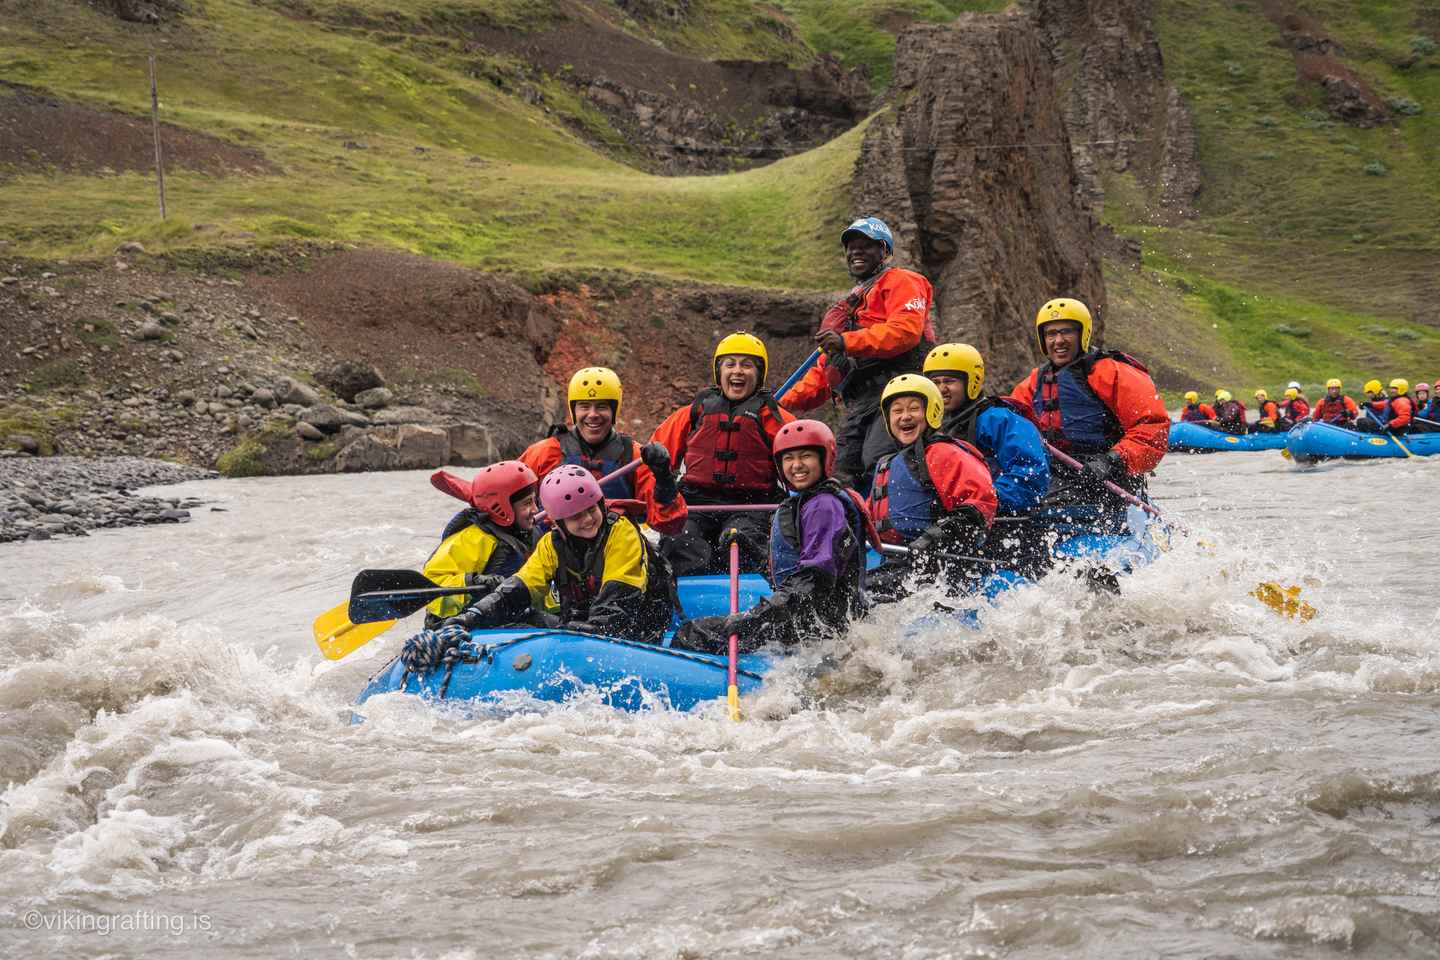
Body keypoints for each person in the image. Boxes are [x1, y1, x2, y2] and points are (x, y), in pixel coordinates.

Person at [670, 420, 875, 654]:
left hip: (817, 627)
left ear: (824, 458)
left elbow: (814, 580)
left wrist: (756, 617)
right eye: (788, 459)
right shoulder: (808, 503)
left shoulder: (824, 506)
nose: (797, 465)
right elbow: (791, 573)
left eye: (805, 456)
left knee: (691, 634)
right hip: (811, 619)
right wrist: (754, 551)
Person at [432, 466, 679, 644]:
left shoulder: (621, 533)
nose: (587, 520)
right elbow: (520, 588)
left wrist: (590, 633)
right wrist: (471, 618)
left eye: (591, 509)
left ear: (601, 504)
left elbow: (619, 600)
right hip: (586, 627)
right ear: (558, 523)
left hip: (639, 630)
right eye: (575, 516)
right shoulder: (551, 543)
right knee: (522, 614)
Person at [782, 217, 937, 491]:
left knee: (877, 459)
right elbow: (825, 373)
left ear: (885, 252)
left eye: (866, 246)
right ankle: (852, 531)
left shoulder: (902, 281)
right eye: (851, 247)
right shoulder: (848, 308)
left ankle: (897, 527)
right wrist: (779, 402)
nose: (856, 252)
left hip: (898, 392)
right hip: (860, 403)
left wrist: (847, 341)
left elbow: (905, 331)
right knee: (837, 473)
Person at [1008, 298, 1168, 535]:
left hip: (1110, 478)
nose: (1058, 341)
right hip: (1057, 480)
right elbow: (1011, 434)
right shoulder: (1032, 384)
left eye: (1066, 332)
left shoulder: (1113, 372)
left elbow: (1152, 428)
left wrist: (1111, 461)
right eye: (1051, 334)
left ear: (1083, 334)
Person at [648, 332, 796, 576]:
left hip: (752, 506)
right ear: (719, 372)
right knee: (679, 541)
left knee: (739, 540)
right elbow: (652, 458)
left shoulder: (775, 418)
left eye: (746, 365)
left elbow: (800, 465)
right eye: (730, 364)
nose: (737, 371)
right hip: (696, 504)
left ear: (758, 375)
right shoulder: (694, 412)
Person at [867, 374, 998, 600]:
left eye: (914, 409)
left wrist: (936, 536)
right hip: (900, 561)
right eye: (897, 411)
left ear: (932, 411)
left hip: (943, 565)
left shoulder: (943, 453)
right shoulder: (888, 463)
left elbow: (979, 504)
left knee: (866, 593)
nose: (905, 416)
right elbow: (867, 515)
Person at [521, 366, 686, 536]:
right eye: (584, 406)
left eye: (602, 407)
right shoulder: (544, 453)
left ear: (614, 411)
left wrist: (664, 479)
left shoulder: (634, 457)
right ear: (574, 410)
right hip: (554, 549)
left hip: (617, 549)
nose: (593, 414)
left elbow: (670, 524)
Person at [422, 462, 539, 627]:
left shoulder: (530, 535)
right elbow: (432, 583)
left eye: (534, 501)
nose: (535, 509)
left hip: (510, 621)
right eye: (527, 503)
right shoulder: (473, 538)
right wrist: (474, 581)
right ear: (504, 507)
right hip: (464, 626)